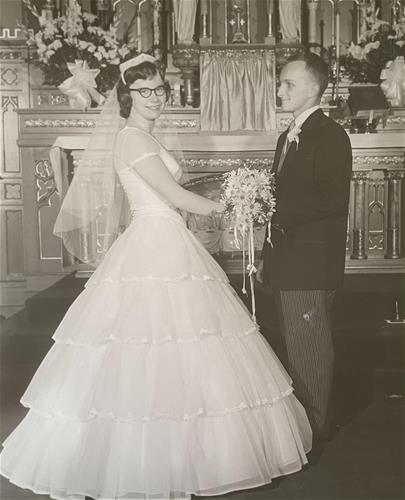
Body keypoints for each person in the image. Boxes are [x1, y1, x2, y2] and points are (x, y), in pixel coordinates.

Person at [0, 54, 312, 500]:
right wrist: (232, 208)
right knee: (153, 340)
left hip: (167, 235)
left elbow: (174, 195)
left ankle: (195, 455)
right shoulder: (131, 139)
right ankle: (149, 459)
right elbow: (173, 195)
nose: (154, 97)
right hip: (154, 239)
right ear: (127, 95)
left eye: (159, 89)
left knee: (189, 337)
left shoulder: (145, 136)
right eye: (144, 90)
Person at [259, 52, 353, 444]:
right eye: (280, 83)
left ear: (314, 88)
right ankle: (305, 428)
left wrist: (274, 209)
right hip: (289, 260)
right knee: (298, 348)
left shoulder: (331, 136)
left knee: (310, 350)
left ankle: (314, 433)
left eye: (288, 84)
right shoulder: (288, 135)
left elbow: (333, 199)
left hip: (310, 263)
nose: (280, 91)